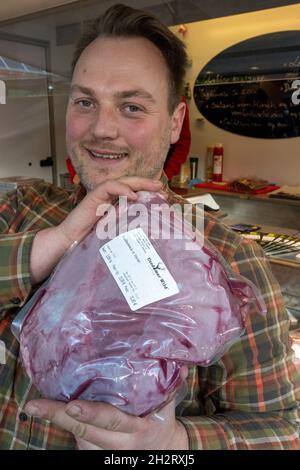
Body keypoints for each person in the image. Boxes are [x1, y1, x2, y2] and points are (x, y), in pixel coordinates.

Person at [0, 4, 299, 450]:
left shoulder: (229, 261)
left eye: (132, 106)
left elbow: (284, 428)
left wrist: (176, 443)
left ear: (175, 122)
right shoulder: (23, 209)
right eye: (86, 102)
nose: (102, 129)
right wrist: (54, 244)